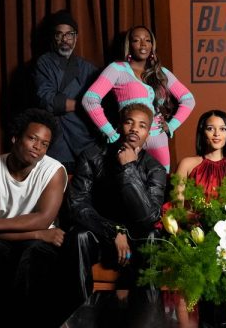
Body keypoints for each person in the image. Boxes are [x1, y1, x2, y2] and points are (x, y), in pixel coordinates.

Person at [0, 108, 68, 327]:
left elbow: (43, 219)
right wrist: (38, 234)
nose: (38, 147)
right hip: (11, 238)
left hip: (37, 242)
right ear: (15, 138)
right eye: (33, 138)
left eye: (44, 144)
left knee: (32, 255)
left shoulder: (54, 171)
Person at [63, 103, 167, 309]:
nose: (135, 129)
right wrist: (114, 230)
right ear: (119, 127)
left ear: (148, 133)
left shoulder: (155, 169)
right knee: (78, 235)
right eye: (129, 122)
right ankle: (79, 313)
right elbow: (77, 204)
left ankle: (150, 314)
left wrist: (129, 168)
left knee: (153, 236)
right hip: (101, 236)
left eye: (142, 126)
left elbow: (149, 218)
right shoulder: (92, 156)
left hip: (136, 241)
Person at [82, 25, 195, 171]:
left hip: (158, 141)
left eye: (147, 40)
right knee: (129, 181)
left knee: (159, 183)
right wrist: (110, 132)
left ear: (152, 45)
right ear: (129, 45)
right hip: (130, 140)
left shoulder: (161, 73)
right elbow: (90, 99)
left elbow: (188, 99)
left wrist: (171, 126)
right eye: (137, 40)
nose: (143, 44)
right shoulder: (117, 69)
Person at [34, 9, 99, 173]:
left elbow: (101, 100)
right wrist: (84, 105)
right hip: (56, 141)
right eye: (59, 34)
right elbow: (47, 100)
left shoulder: (87, 68)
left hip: (83, 138)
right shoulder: (44, 63)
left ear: (76, 37)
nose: (65, 39)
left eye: (69, 34)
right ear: (53, 37)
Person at [174, 109, 226, 196]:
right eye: (210, 129)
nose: (217, 134)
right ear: (202, 132)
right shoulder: (186, 164)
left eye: (222, 129)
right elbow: (177, 202)